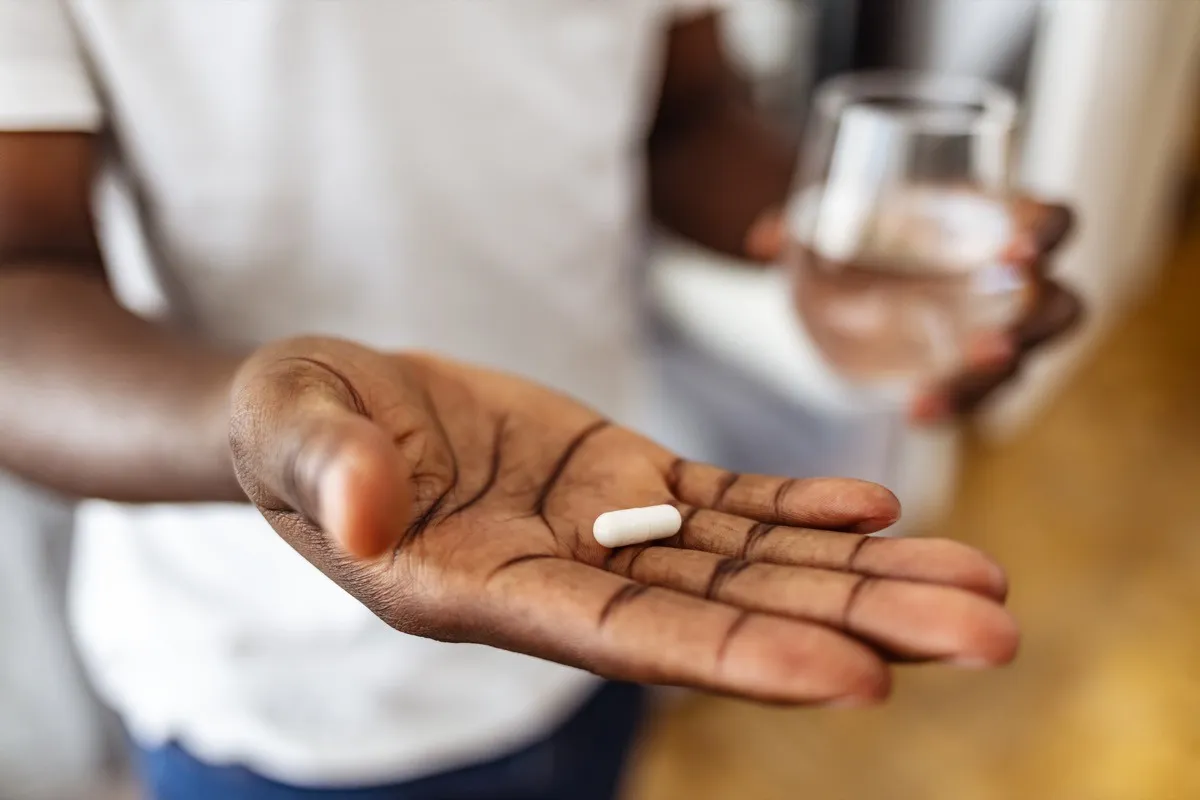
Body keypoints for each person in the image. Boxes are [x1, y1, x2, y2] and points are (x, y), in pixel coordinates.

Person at [0, 2, 1081, 798]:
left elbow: (685, 116)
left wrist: (858, 234)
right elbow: (17, 284)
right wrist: (255, 429)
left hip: (599, 582)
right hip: (277, 680)